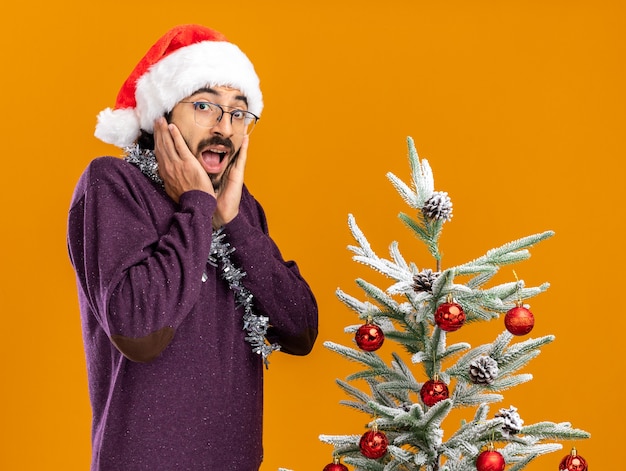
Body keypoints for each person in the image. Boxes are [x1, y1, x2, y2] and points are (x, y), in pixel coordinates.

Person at [67, 24, 318, 470]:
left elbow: (299, 330)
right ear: (162, 115)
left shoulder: (239, 208)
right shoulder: (112, 184)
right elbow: (139, 330)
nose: (225, 127)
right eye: (204, 106)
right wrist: (197, 206)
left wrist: (234, 221)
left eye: (239, 114)